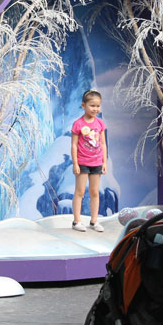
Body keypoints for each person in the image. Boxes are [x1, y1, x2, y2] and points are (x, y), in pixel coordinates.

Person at [71, 90, 108, 232]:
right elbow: (74, 145)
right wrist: (75, 163)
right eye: (92, 105)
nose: (95, 109)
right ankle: (77, 221)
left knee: (94, 192)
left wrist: (104, 162)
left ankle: (94, 221)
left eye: (98, 106)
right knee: (79, 191)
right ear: (83, 105)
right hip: (82, 163)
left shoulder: (100, 124)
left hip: (97, 163)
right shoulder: (78, 124)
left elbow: (103, 144)